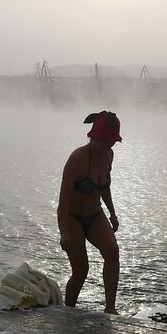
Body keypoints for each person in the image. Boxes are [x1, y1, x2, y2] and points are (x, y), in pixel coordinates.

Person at [57, 110, 122, 313]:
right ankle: (69, 311)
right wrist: (64, 232)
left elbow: (104, 187)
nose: (107, 146)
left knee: (112, 251)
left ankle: (110, 308)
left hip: (94, 214)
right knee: (81, 270)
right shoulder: (77, 158)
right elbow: (63, 203)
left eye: (111, 142)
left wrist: (112, 213)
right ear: (93, 137)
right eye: (103, 142)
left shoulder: (109, 155)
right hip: (73, 217)